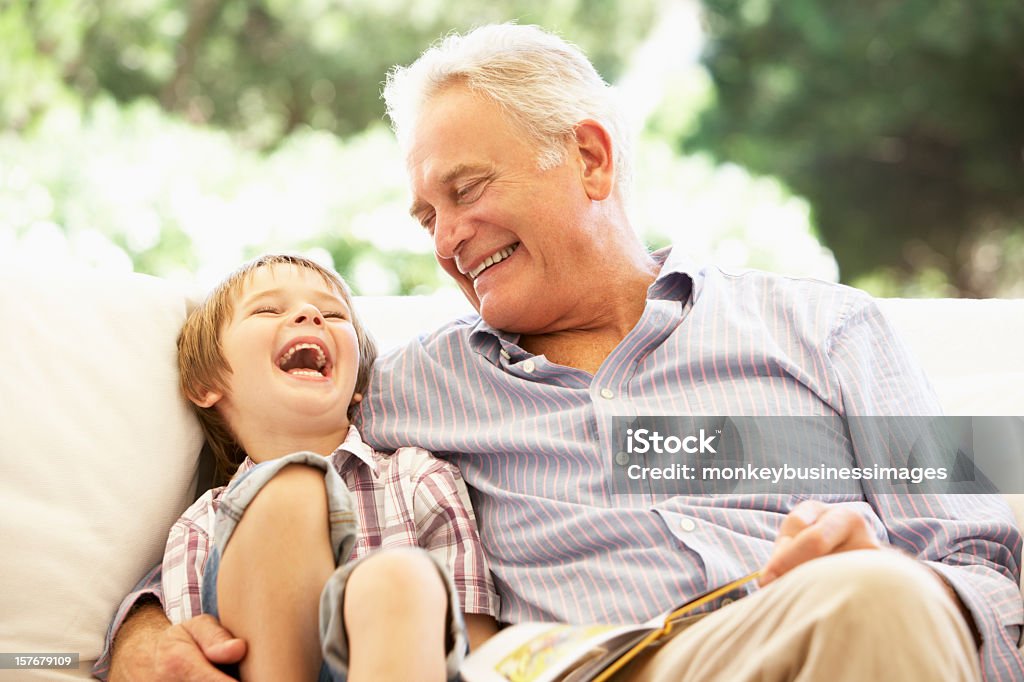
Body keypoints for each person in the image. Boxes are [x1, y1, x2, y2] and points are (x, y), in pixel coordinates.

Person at [101, 25, 1023, 682]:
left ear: (589, 158)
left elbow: (993, 564)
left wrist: (903, 580)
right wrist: (140, 629)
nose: (447, 239)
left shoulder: (830, 329)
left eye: (466, 191)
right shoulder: (408, 386)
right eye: (427, 216)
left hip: (810, 639)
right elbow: (250, 491)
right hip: (585, 663)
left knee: (877, 600)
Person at [151, 254, 498, 681]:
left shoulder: (419, 478)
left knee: (398, 577)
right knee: (291, 489)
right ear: (206, 383)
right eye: (268, 309)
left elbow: (477, 647)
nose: (310, 314)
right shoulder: (201, 526)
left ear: (359, 385)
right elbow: (192, 663)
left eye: (332, 314)